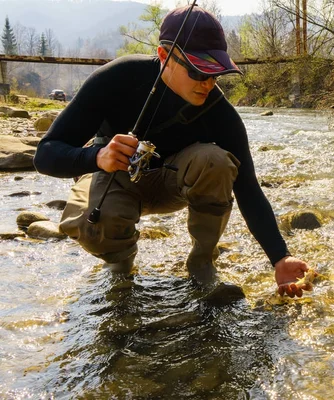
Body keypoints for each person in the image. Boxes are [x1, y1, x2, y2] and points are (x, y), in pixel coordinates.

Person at [33, 5, 311, 298]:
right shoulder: (116, 79)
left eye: (216, 73)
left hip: (174, 185)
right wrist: (96, 157)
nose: (208, 83)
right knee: (93, 219)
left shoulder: (219, 112)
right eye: (198, 71)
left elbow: (248, 188)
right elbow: (46, 154)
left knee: (216, 161)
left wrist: (280, 257)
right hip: (117, 181)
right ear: (164, 56)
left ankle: (202, 262)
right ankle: (120, 263)